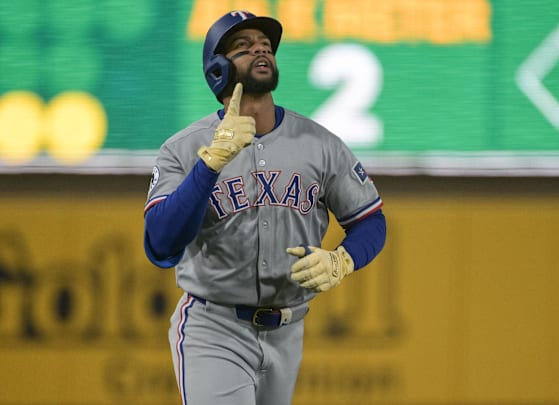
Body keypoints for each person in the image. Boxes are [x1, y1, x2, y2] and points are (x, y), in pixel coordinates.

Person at [142, 10, 386, 405]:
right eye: (243, 46)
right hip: (213, 324)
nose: (259, 49)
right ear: (217, 70)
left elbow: (371, 221)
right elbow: (161, 244)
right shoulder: (184, 148)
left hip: (288, 329)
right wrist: (208, 167)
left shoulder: (319, 143)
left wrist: (342, 260)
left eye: (265, 45)